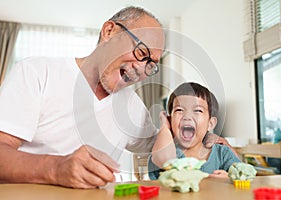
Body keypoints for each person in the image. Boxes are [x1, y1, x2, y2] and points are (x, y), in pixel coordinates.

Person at [0, 7, 232, 189]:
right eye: (141, 53)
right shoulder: (38, 72)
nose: (142, 69)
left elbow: (165, 152)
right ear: (109, 31)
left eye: (151, 65)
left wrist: (207, 142)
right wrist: (56, 168)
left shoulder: (133, 107)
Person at [148, 82, 240, 180]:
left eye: (197, 110)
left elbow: (244, 177)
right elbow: (164, 160)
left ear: (210, 124)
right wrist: (165, 126)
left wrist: (229, 180)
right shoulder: (166, 152)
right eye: (179, 110)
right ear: (170, 119)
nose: (187, 116)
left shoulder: (222, 153)